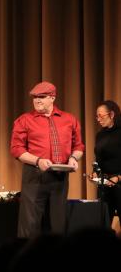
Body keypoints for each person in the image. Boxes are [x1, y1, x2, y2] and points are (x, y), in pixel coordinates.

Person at [10, 81, 84, 237]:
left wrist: (73, 158)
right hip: (35, 176)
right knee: (30, 224)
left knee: (57, 224)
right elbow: (16, 149)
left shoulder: (69, 119)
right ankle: (28, 252)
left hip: (60, 177)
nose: (37, 100)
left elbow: (78, 146)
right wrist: (38, 161)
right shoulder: (24, 120)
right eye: (35, 97)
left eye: (41, 97)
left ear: (52, 98)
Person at [93, 100, 121, 227]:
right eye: (97, 116)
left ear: (112, 114)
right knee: (103, 223)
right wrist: (95, 172)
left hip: (119, 182)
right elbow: (98, 159)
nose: (98, 119)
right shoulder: (100, 135)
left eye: (101, 116)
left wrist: (118, 177)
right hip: (104, 185)